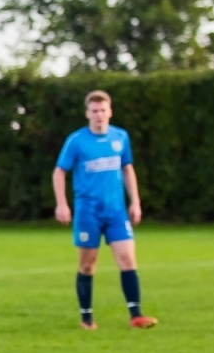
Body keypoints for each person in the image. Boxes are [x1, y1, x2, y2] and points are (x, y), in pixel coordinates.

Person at [52, 90, 157, 330]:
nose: (99, 115)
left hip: (116, 212)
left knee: (128, 259)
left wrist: (136, 201)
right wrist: (61, 203)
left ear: (110, 112)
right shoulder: (77, 141)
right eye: (94, 111)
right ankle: (87, 318)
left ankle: (136, 316)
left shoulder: (120, 137)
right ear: (87, 113)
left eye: (103, 110)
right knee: (88, 264)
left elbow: (127, 169)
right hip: (88, 212)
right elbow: (59, 171)